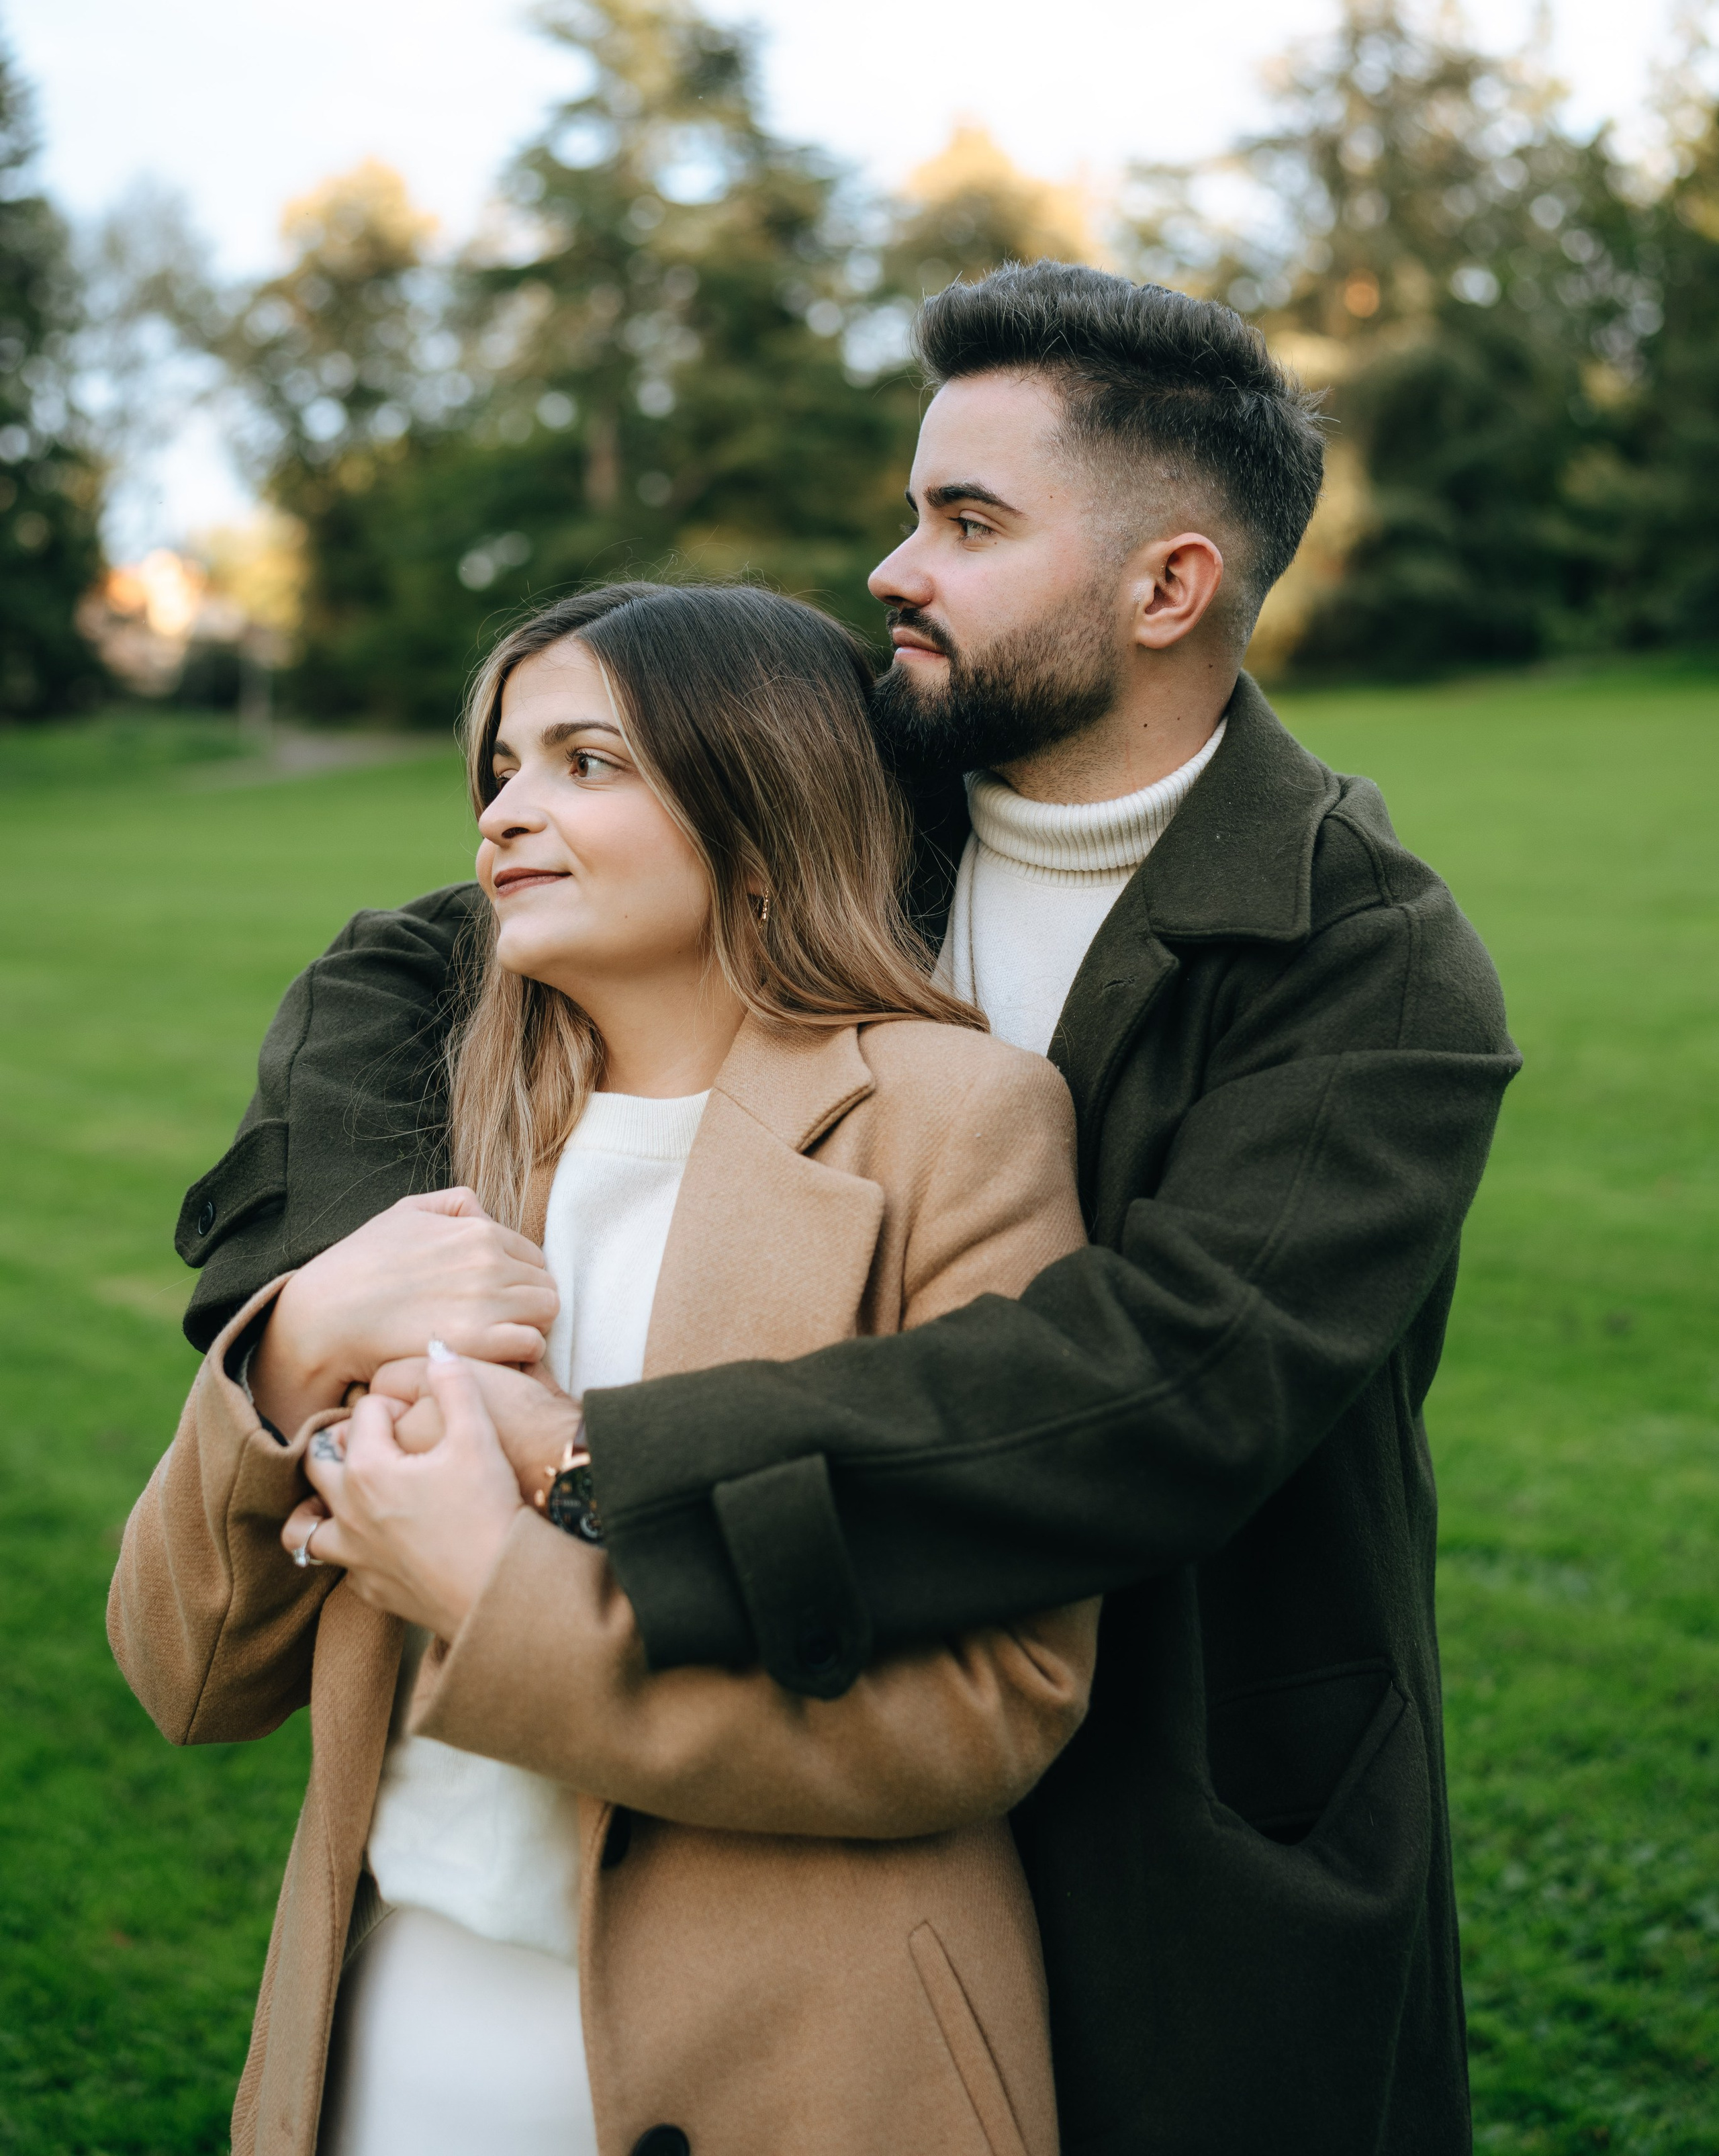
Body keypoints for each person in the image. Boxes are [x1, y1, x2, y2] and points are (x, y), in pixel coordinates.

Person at [165, 262, 1521, 2155]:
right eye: (913, 511)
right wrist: (361, 1300)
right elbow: (401, 970)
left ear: (1168, 586)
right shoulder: (877, 793)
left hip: (1183, 1792)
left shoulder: (1370, 963)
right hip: (807, 1729)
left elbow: (1168, 1389)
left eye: (966, 523)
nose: (894, 569)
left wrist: (587, 1455)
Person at [111, 582, 1102, 2156]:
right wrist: (291, 1350)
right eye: (501, 766)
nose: (507, 810)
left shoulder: (955, 1122)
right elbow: (192, 1674)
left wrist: (495, 1594)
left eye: (587, 761)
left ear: (763, 811)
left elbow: (992, 1702)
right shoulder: (439, 1145)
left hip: (810, 2062)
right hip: (391, 2041)